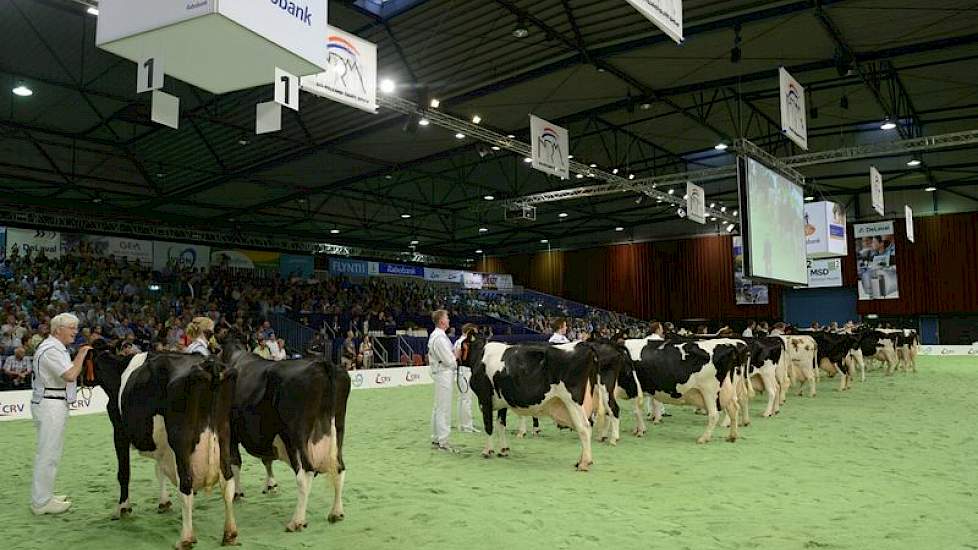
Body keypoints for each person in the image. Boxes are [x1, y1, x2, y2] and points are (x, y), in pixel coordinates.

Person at [30, 312, 92, 515]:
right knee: (48, 453)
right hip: (50, 403)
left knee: (50, 453)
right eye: (72, 328)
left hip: (53, 402)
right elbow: (70, 375)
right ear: (59, 329)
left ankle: (45, 496)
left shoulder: (55, 348)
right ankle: (41, 502)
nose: (76, 332)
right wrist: (82, 354)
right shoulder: (51, 350)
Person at [427, 309, 457, 452]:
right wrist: (455, 357)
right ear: (442, 321)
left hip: (440, 372)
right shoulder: (439, 338)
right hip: (443, 372)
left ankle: (436, 437)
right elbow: (449, 360)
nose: (449, 320)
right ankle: (443, 441)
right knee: (443, 408)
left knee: (438, 406)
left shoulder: (437, 336)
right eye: (447, 317)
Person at [453, 323, 479, 433]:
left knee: (462, 399)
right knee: (466, 399)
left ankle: (462, 424)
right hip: (464, 371)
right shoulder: (464, 342)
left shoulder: (459, 341)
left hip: (461, 371)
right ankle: (467, 425)